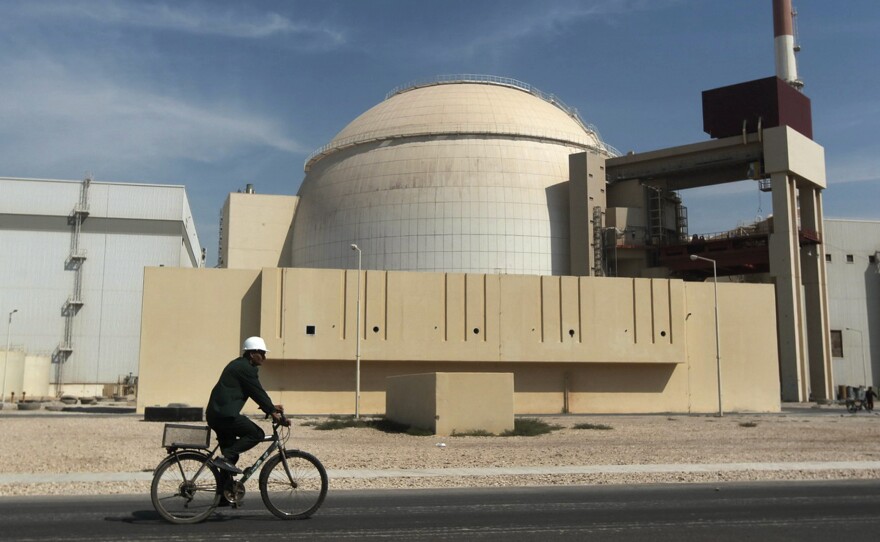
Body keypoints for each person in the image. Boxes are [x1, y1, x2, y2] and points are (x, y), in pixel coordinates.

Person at [206, 336, 289, 474]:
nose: (264, 357)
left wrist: (271, 408)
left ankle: (225, 493)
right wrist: (271, 410)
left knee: (231, 458)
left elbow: (254, 392)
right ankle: (224, 458)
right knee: (256, 434)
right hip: (224, 416)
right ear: (252, 353)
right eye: (261, 353)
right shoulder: (244, 368)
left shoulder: (240, 365)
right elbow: (257, 391)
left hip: (217, 415)